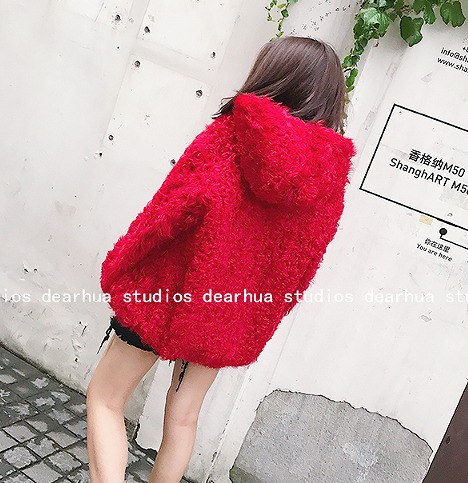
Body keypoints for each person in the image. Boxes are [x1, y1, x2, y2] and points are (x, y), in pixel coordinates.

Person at [86, 35, 356, 483]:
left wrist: (122, 268)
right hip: (226, 314)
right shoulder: (330, 176)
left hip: (163, 292)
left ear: (271, 74)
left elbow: (167, 212)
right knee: (183, 419)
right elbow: (302, 266)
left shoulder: (231, 135)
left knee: (106, 398)